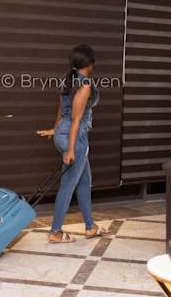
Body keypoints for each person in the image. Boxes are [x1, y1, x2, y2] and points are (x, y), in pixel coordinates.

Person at [36, 44, 110, 243]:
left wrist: (55, 129)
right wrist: (70, 149)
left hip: (65, 135)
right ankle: (55, 232)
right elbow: (76, 119)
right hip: (74, 139)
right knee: (68, 185)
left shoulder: (68, 80)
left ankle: (90, 226)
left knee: (84, 181)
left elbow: (62, 110)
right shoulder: (84, 86)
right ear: (90, 63)